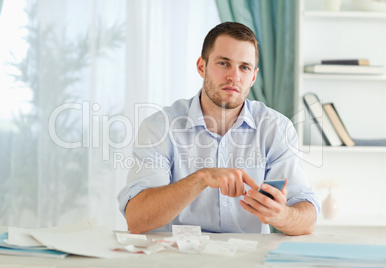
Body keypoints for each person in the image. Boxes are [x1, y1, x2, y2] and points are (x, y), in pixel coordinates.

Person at [118, 22, 320, 235]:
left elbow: (306, 218)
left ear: (253, 77)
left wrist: (281, 216)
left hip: (248, 260)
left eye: (244, 67)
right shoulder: (159, 128)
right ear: (201, 66)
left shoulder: (276, 129)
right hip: (179, 258)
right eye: (224, 63)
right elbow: (137, 220)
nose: (234, 76)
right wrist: (201, 178)